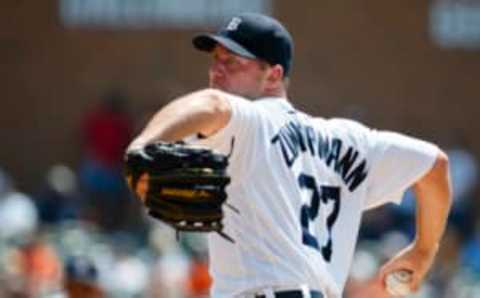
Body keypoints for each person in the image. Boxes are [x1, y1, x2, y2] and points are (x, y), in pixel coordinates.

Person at [128, 13, 452, 298]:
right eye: (215, 59)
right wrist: (424, 250)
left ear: (272, 75)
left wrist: (141, 147)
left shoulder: (253, 120)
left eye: (232, 62)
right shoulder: (348, 139)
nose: (216, 71)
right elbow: (435, 166)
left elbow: (212, 105)